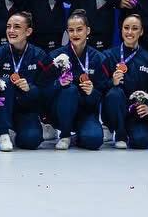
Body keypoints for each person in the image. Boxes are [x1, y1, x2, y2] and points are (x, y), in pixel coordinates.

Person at [0, 11, 47, 150]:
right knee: (4, 81)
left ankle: (16, 131)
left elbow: (45, 90)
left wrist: (30, 88)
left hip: (26, 111)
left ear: (28, 31)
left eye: (17, 27)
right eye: (8, 26)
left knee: (31, 141)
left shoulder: (39, 56)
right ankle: (3, 133)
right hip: (0, 110)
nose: (11, 30)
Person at [44, 11, 105, 150]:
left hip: (85, 113)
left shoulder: (98, 58)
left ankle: (77, 137)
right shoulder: (55, 57)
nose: (75, 34)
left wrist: (92, 92)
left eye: (79, 29)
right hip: (59, 112)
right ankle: (65, 135)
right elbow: (44, 89)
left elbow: (102, 93)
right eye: (71, 30)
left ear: (88, 31)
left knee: (94, 140)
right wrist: (58, 84)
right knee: (69, 90)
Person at [100, 13, 148, 149]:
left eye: (135, 28)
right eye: (126, 28)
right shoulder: (108, 55)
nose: (130, 32)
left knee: (142, 141)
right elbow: (99, 86)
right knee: (115, 93)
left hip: (137, 112)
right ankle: (120, 135)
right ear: (121, 30)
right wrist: (112, 82)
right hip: (115, 109)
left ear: (141, 32)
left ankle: (133, 130)